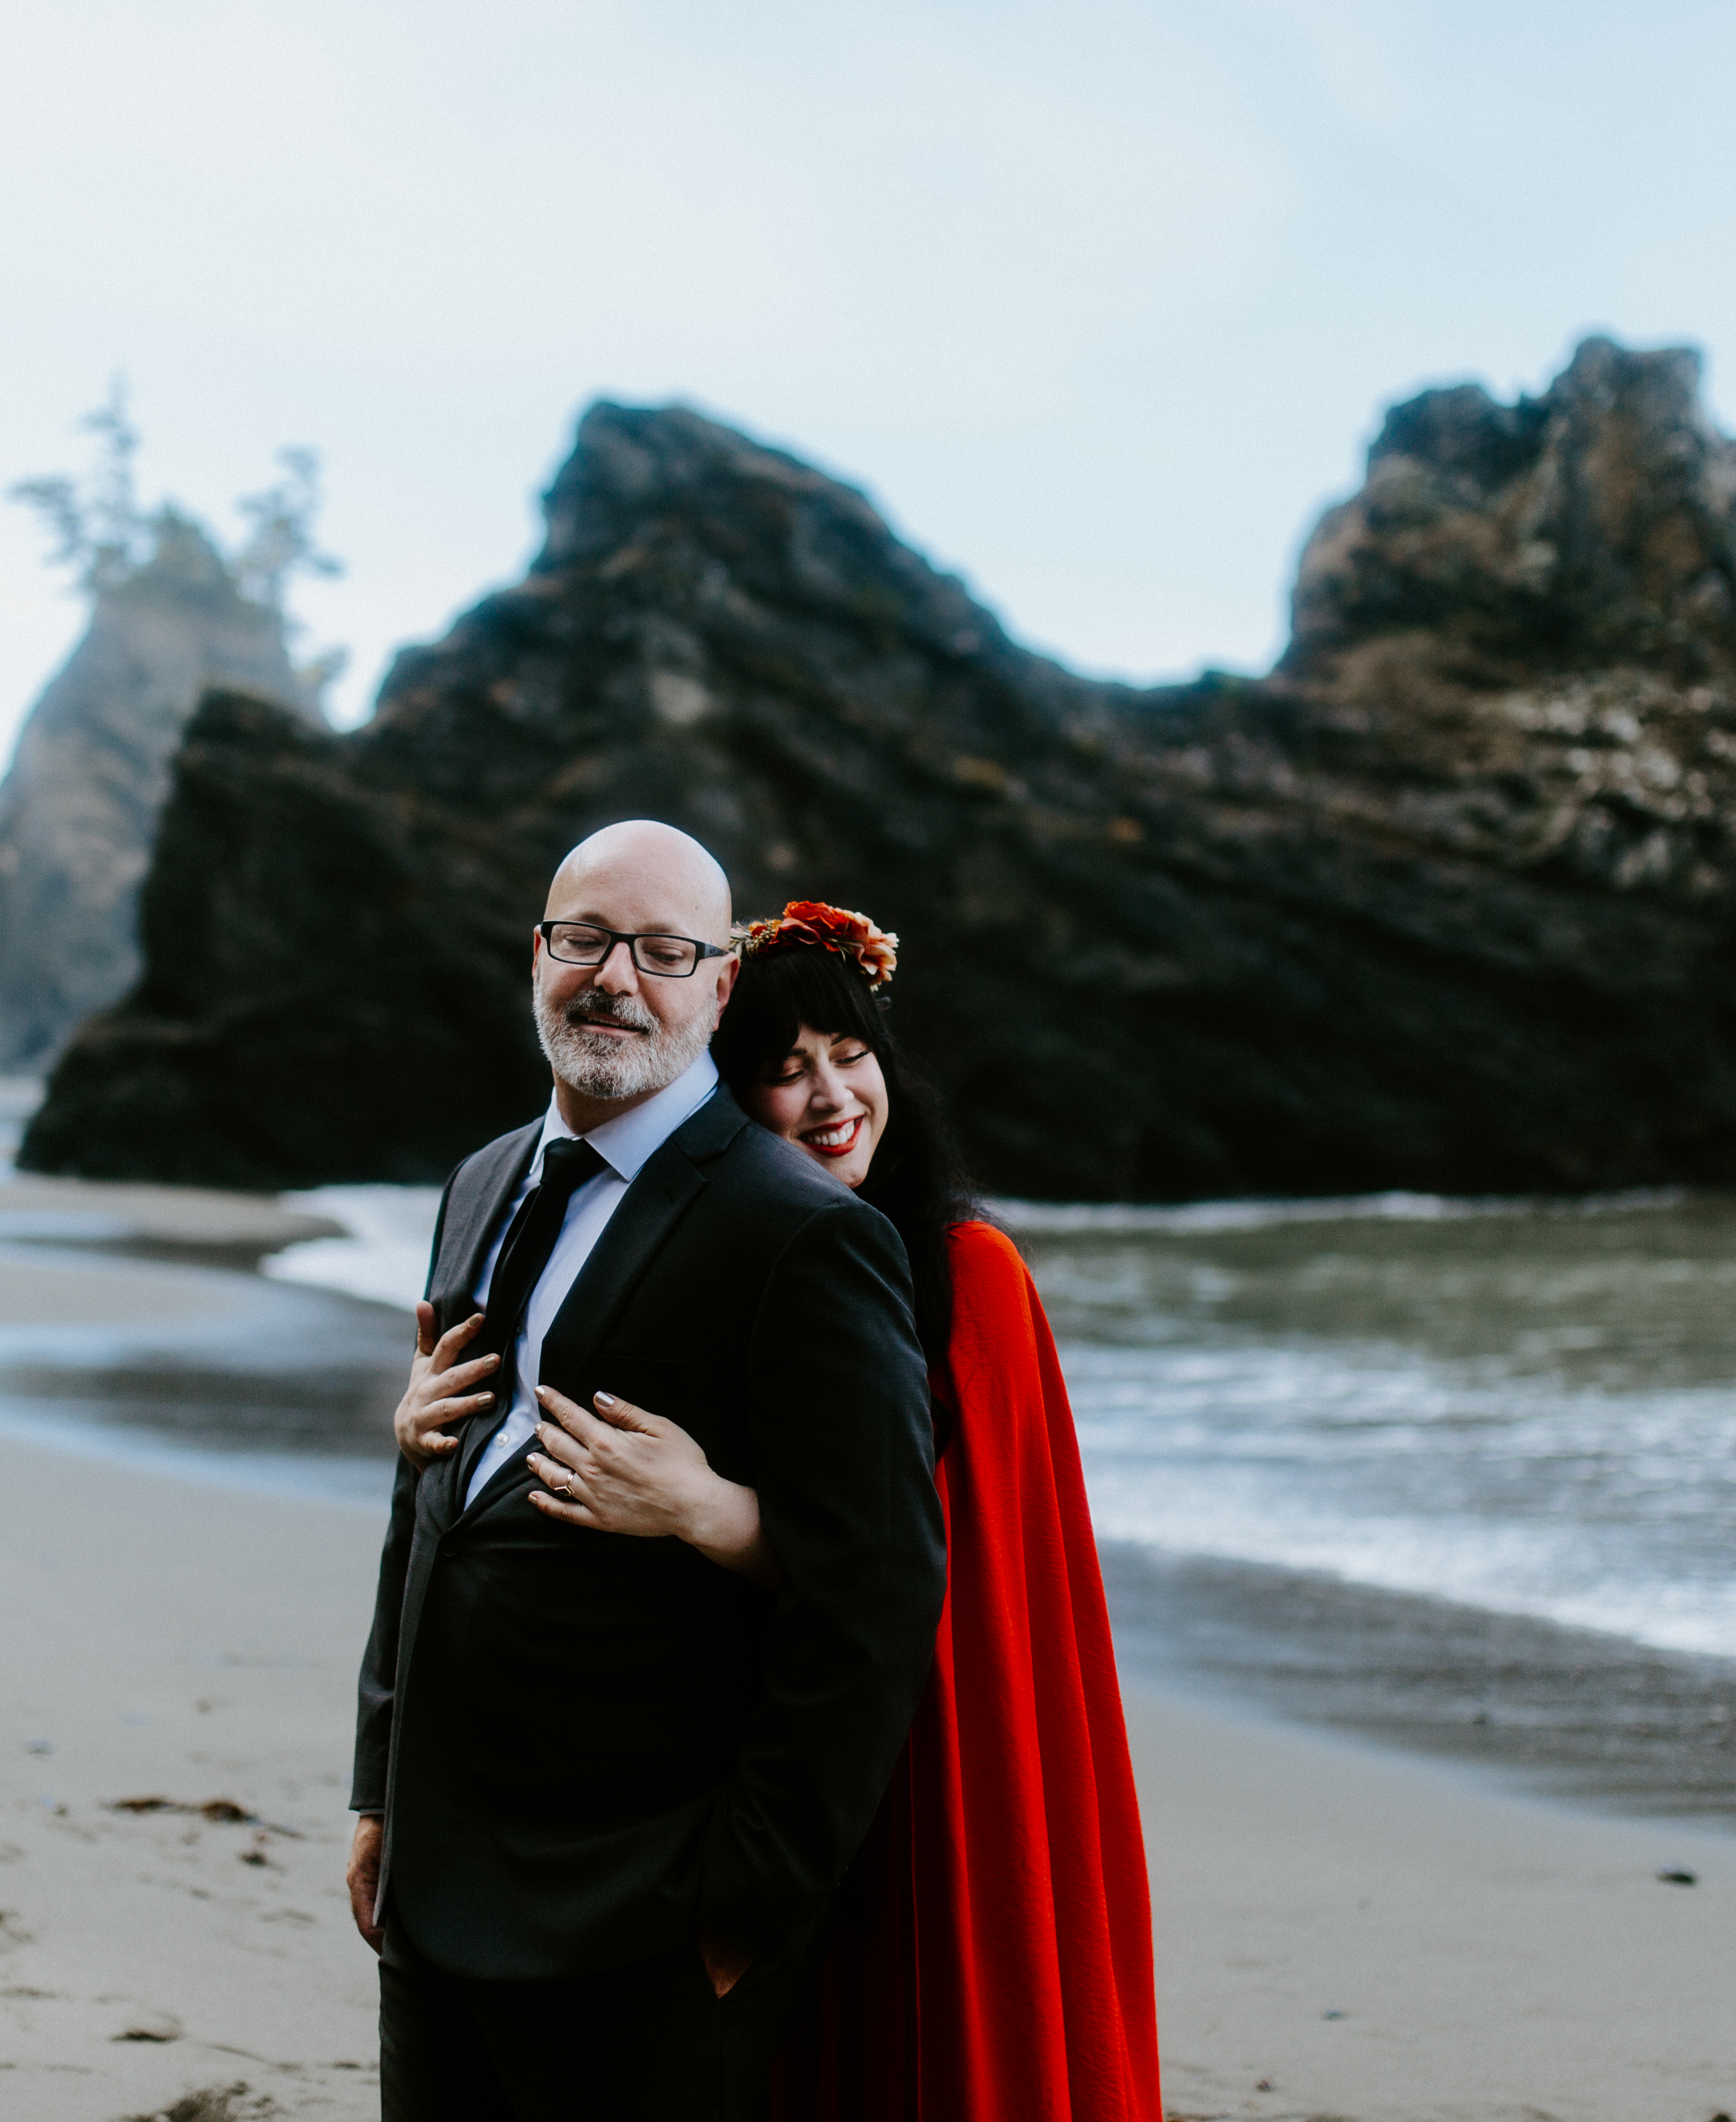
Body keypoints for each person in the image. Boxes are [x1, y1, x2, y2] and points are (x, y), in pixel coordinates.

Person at [395, 901, 1164, 2121]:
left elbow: (944, 1565)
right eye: (782, 1070)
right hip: (735, 1759)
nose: (830, 1097)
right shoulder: (724, 1237)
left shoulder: (969, 1275)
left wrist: (713, 1512)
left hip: (928, 1748)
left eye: (852, 1057)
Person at [349, 830, 946, 2122]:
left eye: (664, 953)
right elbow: (431, 1499)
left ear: (718, 987)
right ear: (538, 956)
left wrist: (752, 1902)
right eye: (585, 939)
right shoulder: (484, 1181)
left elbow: (878, 1593)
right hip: (438, 1884)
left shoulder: (804, 1235)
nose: (616, 978)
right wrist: (377, 1787)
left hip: (646, 1921)